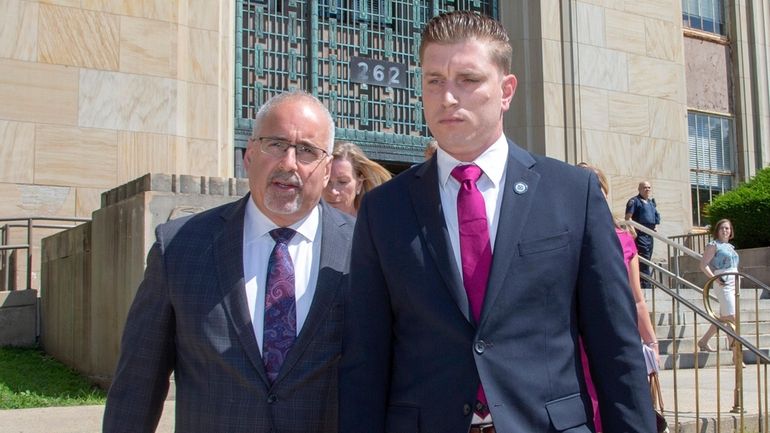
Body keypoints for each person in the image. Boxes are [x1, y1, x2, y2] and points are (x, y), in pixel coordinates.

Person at [339, 11, 655, 433]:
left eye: (467, 79)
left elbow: (615, 344)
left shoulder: (571, 194)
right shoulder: (383, 209)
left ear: (506, 91)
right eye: (434, 81)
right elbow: (366, 356)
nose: (447, 97)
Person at [103, 91, 354, 433]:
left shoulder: (365, 250)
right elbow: (137, 385)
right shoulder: (179, 247)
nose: (289, 163)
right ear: (250, 154)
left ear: (326, 171)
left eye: (307, 151)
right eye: (276, 144)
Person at [577, 163, 660, 432]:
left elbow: (637, 299)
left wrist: (650, 342)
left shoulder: (624, 239)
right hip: (574, 345)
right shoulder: (564, 238)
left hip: (616, 341)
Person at [697, 218, 740, 352]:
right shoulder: (714, 245)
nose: (725, 230)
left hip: (735, 281)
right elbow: (703, 265)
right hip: (723, 281)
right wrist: (715, 279)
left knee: (725, 316)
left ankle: (703, 341)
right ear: (717, 230)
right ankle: (735, 353)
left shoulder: (731, 247)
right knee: (732, 317)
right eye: (722, 228)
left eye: (727, 228)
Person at [323, 141, 391, 216]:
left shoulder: (374, 223)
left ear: (359, 184)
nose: (333, 191)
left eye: (342, 182)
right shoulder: (310, 222)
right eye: (327, 181)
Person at [625, 181, 661, 288]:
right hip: (640, 234)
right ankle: (646, 285)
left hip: (649, 235)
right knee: (643, 258)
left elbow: (655, 218)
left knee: (648, 258)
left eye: (649, 187)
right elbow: (628, 217)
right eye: (645, 187)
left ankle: (644, 283)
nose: (647, 189)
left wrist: (655, 227)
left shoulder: (651, 203)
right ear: (639, 189)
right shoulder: (634, 201)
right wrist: (633, 231)